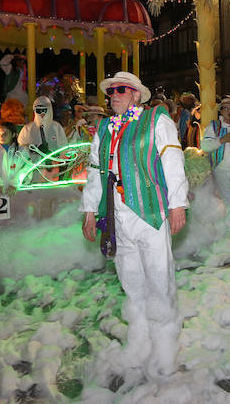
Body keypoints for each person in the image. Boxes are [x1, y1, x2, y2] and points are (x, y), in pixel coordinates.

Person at [80, 71, 188, 380]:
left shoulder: (156, 120)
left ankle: (165, 347)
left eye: (121, 90)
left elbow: (172, 160)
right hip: (116, 216)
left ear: (136, 94)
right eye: (111, 90)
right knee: (131, 282)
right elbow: (95, 169)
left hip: (150, 213)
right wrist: (90, 209)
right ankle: (140, 341)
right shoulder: (104, 127)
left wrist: (177, 203)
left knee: (159, 280)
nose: (114, 94)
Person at [200, 97, 230, 208]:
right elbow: (205, 146)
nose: (229, 111)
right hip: (221, 170)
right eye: (226, 108)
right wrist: (222, 140)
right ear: (221, 111)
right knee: (227, 201)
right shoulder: (214, 126)